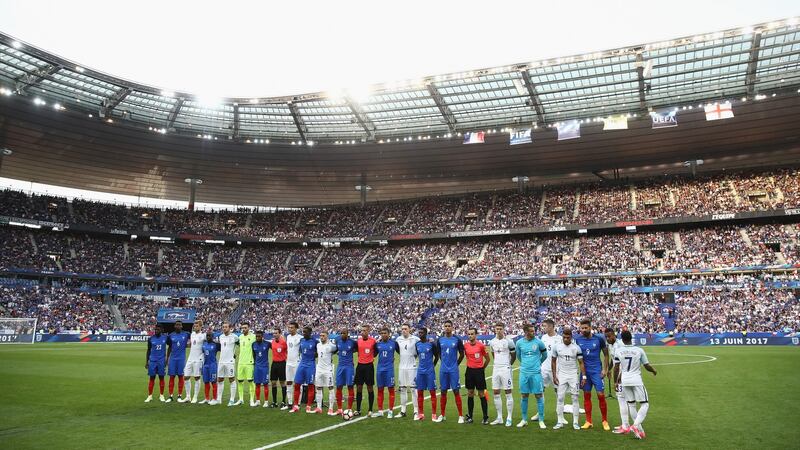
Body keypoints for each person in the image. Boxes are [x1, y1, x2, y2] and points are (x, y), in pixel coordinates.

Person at [613, 330, 657, 439]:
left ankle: (640, 431)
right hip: (636, 380)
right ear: (631, 338)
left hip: (625, 381)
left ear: (622, 339)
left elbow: (616, 368)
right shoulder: (639, 350)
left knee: (631, 404)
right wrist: (654, 371)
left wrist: (616, 381)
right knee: (645, 404)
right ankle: (636, 426)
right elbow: (646, 365)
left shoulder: (618, 351)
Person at [575, 319, 610, 430]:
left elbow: (606, 355)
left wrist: (605, 370)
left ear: (590, 327)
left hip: (597, 372)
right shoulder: (577, 340)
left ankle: (605, 420)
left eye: (586, 328)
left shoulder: (599, 339)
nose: (583, 330)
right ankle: (588, 421)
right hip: (585, 373)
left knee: (600, 395)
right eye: (582, 328)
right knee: (586, 395)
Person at [514, 323, 548, 428]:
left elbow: (545, 355)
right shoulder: (519, 343)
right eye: (531, 331)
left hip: (536, 373)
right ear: (526, 332)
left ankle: (541, 420)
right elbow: (518, 356)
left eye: (534, 331)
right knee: (524, 395)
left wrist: (538, 363)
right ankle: (524, 419)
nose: (534, 333)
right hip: (524, 373)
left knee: (539, 395)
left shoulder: (539, 342)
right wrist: (525, 364)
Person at [551, 327, 583, 430]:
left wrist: (584, 376)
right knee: (560, 398)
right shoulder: (557, 347)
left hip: (573, 375)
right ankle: (560, 421)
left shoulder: (576, 348)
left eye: (568, 338)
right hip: (562, 375)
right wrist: (554, 375)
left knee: (575, 398)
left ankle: (575, 422)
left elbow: (581, 362)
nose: (565, 339)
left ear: (571, 337)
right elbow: (553, 361)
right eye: (564, 337)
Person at [433, 320, 465, 423]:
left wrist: (456, 364)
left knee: (456, 391)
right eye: (445, 326)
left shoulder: (457, 340)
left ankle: (460, 416)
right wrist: (444, 363)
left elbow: (462, 354)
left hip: (453, 370)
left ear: (452, 327)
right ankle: (442, 415)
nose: (447, 328)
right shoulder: (440, 340)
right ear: (443, 327)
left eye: (449, 326)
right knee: (443, 392)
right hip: (443, 370)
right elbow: (439, 353)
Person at [532, 319, 560, 422]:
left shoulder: (559, 338)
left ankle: (559, 415)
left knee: (558, 391)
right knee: (540, 390)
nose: (543, 328)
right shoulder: (543, 338)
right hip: (543, 369)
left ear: (551, 326)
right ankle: (540, 413)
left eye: (545, 326)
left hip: (555, 370)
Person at [489, 322, 516, 426]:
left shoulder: (509, 341)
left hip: (505, 368)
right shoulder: (492, 342)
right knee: (496, 392)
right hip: (496, 368)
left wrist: (508, 365)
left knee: (508, 392)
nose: (498, 330)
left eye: (500, 328)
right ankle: (499, 417)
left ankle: (509, 417)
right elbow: (493, 354)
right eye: (497, 329)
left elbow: (513, 355)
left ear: (504, 329)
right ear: (495, 329)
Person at [464, 327, 490, 424]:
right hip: (469, 371)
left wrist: (482, 368)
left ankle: (485, 417)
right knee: (470, 393)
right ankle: (470, 416)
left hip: (479, 371)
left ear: (476, 335)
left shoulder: (481, 346)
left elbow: (488, 359)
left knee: (481, 394)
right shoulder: (465, 346)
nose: (470, 336)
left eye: (472, 334)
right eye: (469, 334)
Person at [605, 327, 628, 434]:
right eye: (606, 337)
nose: (608, 339)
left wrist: (616, 381)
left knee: (622, 400)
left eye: (609, 336)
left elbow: (619, 365)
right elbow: (613, 359)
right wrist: (608, 369)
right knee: (622, 400)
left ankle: (625, 426)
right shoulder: (610, 345)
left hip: (622, 376)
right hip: (618, 375)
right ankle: (625, 424)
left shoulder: (620, 345)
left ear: (614, 335)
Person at [290, 326, 318, 413]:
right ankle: (295, 406)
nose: (303, 334)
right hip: (302, 364)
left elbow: (318, 353)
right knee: (297, 384)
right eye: (303, 332)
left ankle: (308, 406)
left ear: (310, 333)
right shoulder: (301, 340)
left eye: (305, 332)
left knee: (310, 385)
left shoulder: (315, 342)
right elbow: (300, 351)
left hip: (310, 365)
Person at [395, 324, 420, 418]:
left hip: (412, 367)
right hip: (402, 367)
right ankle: (403, 411)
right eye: (402, 329)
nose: (404, 330)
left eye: (405, 329)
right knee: (402, 389)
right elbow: (398, 350)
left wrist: (414, 357)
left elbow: (419, 349)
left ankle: (416, 411)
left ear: (410, 329)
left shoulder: (415, 339)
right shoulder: (398, 339)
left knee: (413, 389)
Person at [414, 327, 439, 422]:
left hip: (430, 372)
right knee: (420, 392)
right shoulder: (417, 344)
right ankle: (421, 414)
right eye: (419, 333)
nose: (420, 334)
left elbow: (437, 356)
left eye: (421, 333)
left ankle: (433, 414)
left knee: (432, 392)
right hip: (420, 372)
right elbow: (418, 355)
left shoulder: (431, 344)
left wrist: (433, 366)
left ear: (426, 333)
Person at [374, 327, 400, 418]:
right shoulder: (378, 344)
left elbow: (402, 353)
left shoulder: (394, 344)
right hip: (380, 370)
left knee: (391, 390)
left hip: (389, 370)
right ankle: (380, 411)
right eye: (382, 333)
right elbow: (373, 355)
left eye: (385, 333)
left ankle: (390, 411)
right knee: (380, 390)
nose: (383, 334)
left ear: (389, 334)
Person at [354, 324, 377, 417]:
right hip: (360, 366)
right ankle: (358, 409)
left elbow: (375, 352)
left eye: (364, 330)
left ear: (368, 331)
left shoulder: (373, 341)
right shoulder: (358, 341)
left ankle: (370, 409)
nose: (362, 332)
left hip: (369, 367)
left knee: (370, 388)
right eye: (361, 330)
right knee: (358, 387)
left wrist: (371, 357)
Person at [313, 330, 338, 415]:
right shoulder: (318, 345)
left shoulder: (331, 346)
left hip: (328, 369)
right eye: (320, 335)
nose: (321, 337)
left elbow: (337, 350)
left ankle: (330, 408)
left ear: (327, 336)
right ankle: (319, 407)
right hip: (319, 369)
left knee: (330, 387)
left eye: (323, 335)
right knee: (318, 388)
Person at [166, 320, 190, 403]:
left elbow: (195, 339)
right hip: (173, 359)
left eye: (180, 325)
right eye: (177, 325)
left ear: (182, 326)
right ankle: (170, 396)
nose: (178, 326)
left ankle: (179, 395)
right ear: (174, 326)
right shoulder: (171, 335)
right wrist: (167, 358)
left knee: (180, 376)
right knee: (172, 376)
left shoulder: (186, 334)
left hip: (181, 359)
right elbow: (169, 347)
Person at [334, 328, 357, 415]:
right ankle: (339, 409)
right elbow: (335, 350)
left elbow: (357, 349)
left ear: (348, 334)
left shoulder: (352, 342)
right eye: (341, 333)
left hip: (349, 367)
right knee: (339, 386)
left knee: (350, 386)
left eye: (344, 333)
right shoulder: (337, 341)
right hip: (340, 367)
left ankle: (349, 409)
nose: (342, 335)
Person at [216, 321, 239, 406]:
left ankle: (232, 400)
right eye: (223, 327)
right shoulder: (220, 337)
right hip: (221, 361)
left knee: (231, 379)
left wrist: (234, 354)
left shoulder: (235, 337)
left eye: (226, 327)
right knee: (220, 379)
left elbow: (239, 345)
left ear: (230, 328)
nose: (224, 328)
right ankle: (219, 399)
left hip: (230, 362)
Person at [144, 324, 167, 403]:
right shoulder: (151, 339)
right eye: (155, 329)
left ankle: (161, 395)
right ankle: (150, 396)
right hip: (152, 361)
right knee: (152, 378)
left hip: (161, 361)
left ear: (161, 330)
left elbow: (171, 346)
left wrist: (167, 359)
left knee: (161, 378)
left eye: (158, 329)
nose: (156, 331)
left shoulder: (165, 338)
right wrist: (146, 362)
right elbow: (148, 350)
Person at [184, 321, 205, 404]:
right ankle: (188, 396)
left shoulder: (203, 336)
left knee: (197, 377)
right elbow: (191, 344)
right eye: (194, 326)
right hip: (190, 358)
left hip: (198, 359)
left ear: (200, 327)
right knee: (186, 377)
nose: (195, 327)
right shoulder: (192, 334)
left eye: (197, 326)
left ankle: (195, 397)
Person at [236, 322, 257, 406]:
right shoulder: (240, 337)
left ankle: (252, 400)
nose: (244, 329)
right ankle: (241, 399)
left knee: (250, 381)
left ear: (249, 328)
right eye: (242, 328)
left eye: (245, 328)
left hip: (250, 362)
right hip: (241, 362)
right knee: (240, 381)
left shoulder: (253, 336)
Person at [284, 321, 302, 411]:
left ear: (296, 328)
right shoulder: (287, 337)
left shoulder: (300, 338)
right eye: (289, 327)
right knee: (289, 383)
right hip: (288, 363)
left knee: (298, 384)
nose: (290, 329)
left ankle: (297, 403)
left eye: (292, 327)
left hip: (296, 363)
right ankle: (290, 403)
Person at [270, 327, 288, 408]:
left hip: (282, 364)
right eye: (274, 333)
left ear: (280, 333)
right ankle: (274, 402)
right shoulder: (272, 342)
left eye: (276, 333)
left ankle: (284, 401)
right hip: (274, 364)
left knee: (282, 383)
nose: (275, 334)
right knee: (273, 383)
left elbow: (288, 351)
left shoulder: (284, 342)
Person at [200, 331, 220, 405]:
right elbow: (203, 354)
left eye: (209, 336)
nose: (208, 337)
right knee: (206, 382)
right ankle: (207, 398)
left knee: (213, 382)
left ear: (212, 337)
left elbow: (224, 349)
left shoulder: (216, 345)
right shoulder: (204, 345)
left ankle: (215, 399)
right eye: (207, 336)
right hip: (205, 365)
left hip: (213, 365)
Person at [252, 330, 271, 407]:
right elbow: (254, 355)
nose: (257, 338)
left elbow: (276, 348)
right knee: (257, 384)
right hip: (257, 367)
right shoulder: (253, 344)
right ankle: (258, 401)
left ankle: (266, 401)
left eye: (259, 336)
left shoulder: (267, 344)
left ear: (262, 337)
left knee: (265, 384)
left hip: (265, 367)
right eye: (256, 336)